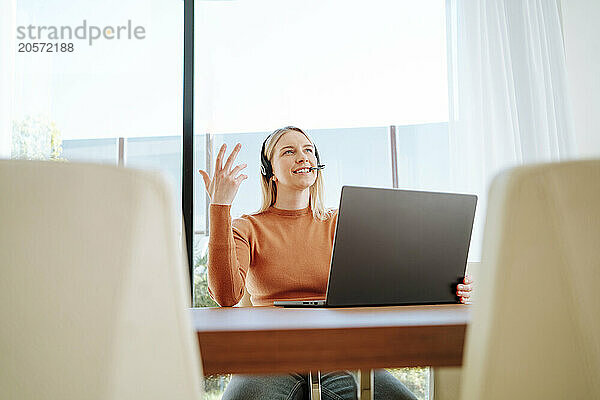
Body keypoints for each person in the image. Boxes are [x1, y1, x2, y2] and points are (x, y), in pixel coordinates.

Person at [199, 126, 473, 400]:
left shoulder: (341, 222)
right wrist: (220, 207)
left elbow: (388, 282)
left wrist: (444, 288)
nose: (303, 156)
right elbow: (226, 296)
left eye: (308, 150)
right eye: (289, 151)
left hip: (340, 352)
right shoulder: (247, 227)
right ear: (269, 172)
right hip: (270, 355)